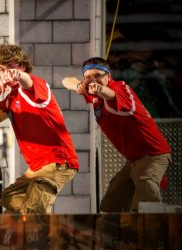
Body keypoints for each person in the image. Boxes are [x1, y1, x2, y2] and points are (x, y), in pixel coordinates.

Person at [62, 57, 171, 212]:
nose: (93, 80)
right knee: (111, 204)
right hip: (133, 159)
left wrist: (99, 89)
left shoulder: (121, 88)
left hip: (153, 154)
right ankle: (114, 235)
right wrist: (79, 85)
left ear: (109, 76)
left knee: (147, 199)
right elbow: (66, 80)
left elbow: (111, 94)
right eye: (88, 76)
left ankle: (153, 234)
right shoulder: (93, 92)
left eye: (98, 75)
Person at [0, 44, 79, 215]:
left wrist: (19, 76)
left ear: (22, 66)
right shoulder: (10, 100)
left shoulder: (37, 85)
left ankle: (39, 232)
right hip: (36, 167)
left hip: (58, 162)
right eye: (1, 70)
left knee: (34, 209)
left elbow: (28, 82)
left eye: (11, 67)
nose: (6, 73)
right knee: (9, 200)